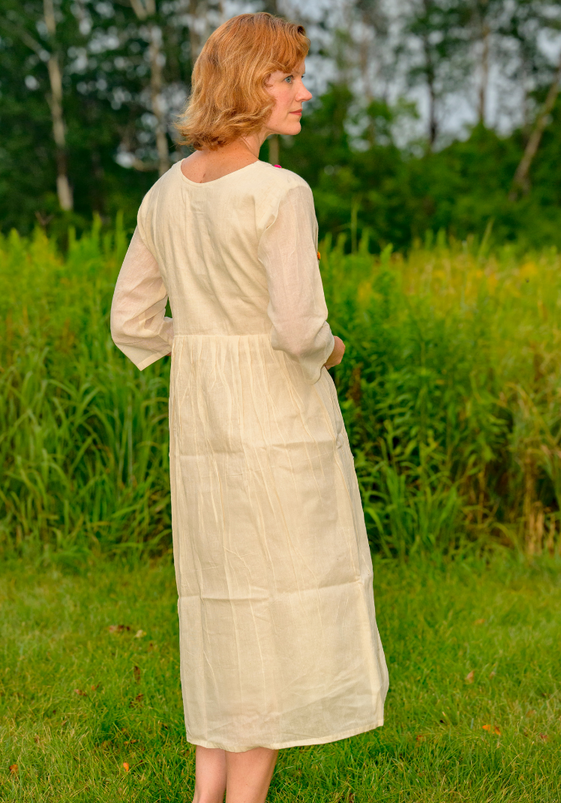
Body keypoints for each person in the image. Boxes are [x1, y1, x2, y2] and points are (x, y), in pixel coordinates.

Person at [110, 12, 389, 803]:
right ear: (247, 85)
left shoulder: (163, 194)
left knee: (220, 599)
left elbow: (129, 323)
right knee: (277, 602)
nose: (305, 90)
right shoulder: (280, 191)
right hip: (276, 417)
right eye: (288, 76)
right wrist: (333, 351)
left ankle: (209, 794)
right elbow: (302, 330)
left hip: (201, 421)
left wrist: (202, 338)